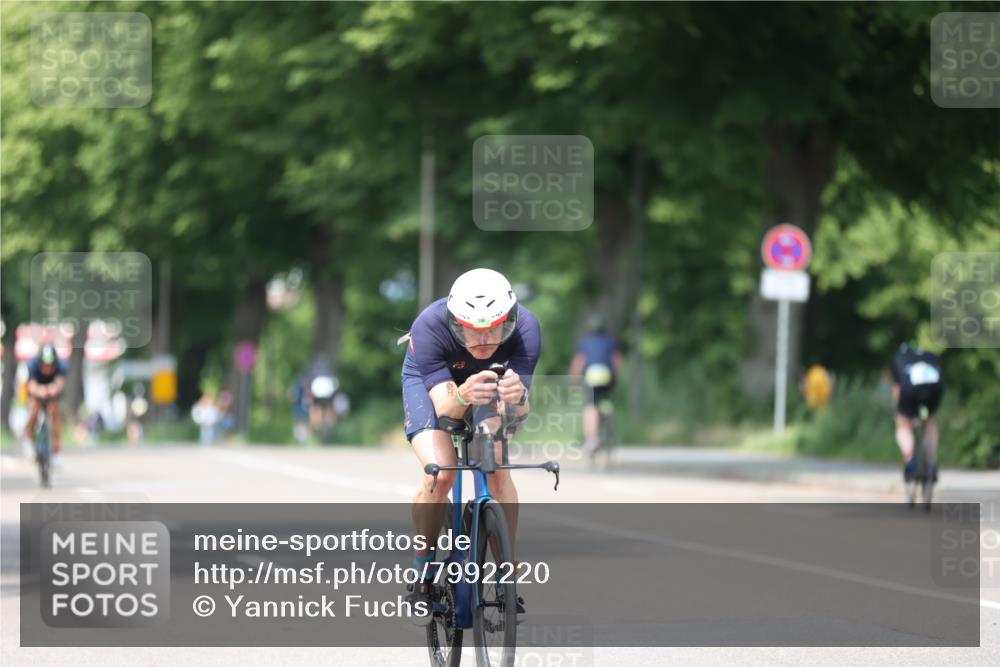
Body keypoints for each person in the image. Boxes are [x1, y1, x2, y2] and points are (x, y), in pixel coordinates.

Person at [400, 268, 540, 623]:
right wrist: (462, 392)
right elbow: (447, 407)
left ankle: (505, 567)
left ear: (509, 320)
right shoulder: (429, 326)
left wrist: (518, 395)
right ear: (453, 322)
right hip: (437, 385)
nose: (483, 340)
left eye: (495, 328)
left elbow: (520, 410)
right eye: (470, 330)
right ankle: (423, 570)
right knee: (440, 475)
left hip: (488, 383)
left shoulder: (527, 328)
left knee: (494, 461)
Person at [568, 314, 624, 455]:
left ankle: (592, 439)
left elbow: (579, 363)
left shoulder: (585, 343)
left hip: (592, 376)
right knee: (605, 402)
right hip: (607, 376)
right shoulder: (611, 342)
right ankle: (609, 428)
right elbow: (617, 362)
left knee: (590, 407)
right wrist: (616, 379)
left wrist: (574, 381)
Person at [890, 341, 944, 484]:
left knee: (903, 424)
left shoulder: (899, 357)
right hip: (934, 387)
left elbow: (897, 390)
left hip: (910, 387)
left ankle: (910, 458)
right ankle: (932, 462)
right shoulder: (931, 356)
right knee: (930, 421)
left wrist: (902, 414)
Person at [24, 344, 68, 463]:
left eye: (50, 365)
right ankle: (29, 437)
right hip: (37, 391)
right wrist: (40, 390)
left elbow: (60, 383)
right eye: (44, 365)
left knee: (55, 411)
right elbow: (31, 385)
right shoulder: (32, 365)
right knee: (34, 409)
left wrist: (53, 389)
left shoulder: (61, 365)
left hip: (52, 392)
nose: (47, 368)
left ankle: (57, 448)